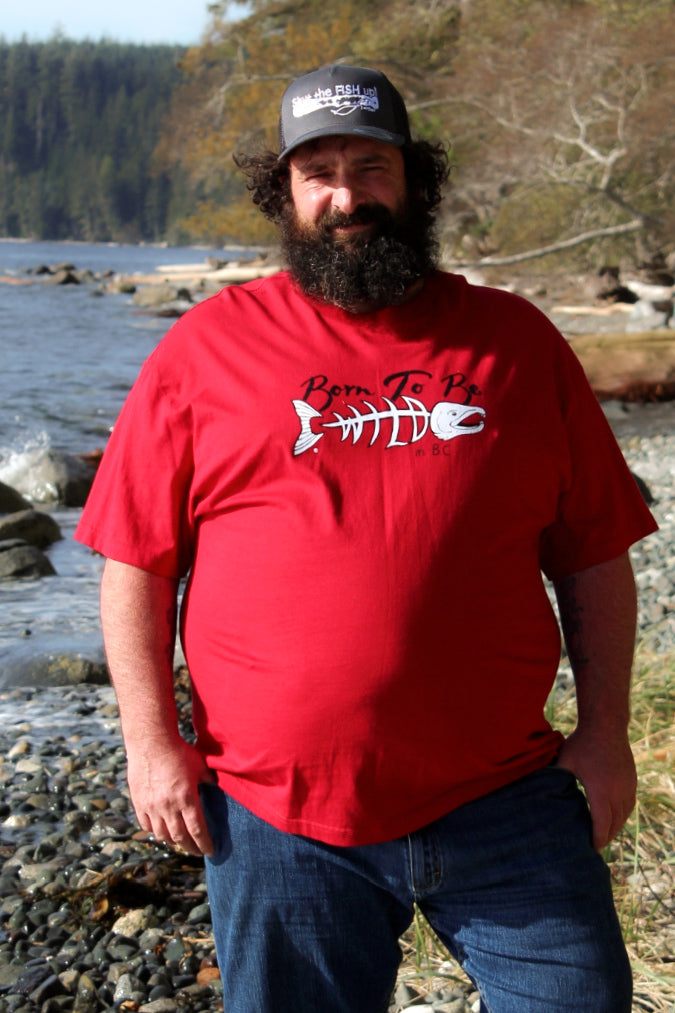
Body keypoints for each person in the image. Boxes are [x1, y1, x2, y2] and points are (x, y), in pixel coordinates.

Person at [76, 63, 657, 1013]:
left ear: (413, 179)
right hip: (278, 815)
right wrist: (151, 743)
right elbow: (135, 560)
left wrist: (603, 734)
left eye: (371, 167)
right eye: (319, 173)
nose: (347, 198)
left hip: (505, 798)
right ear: (285, 192)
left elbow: (594, 551)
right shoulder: (205, 348)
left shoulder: (514, 344)